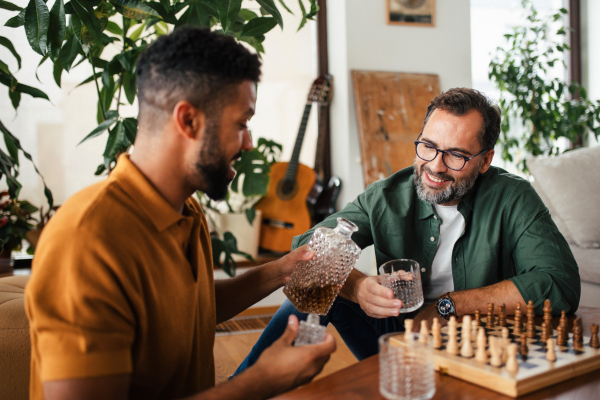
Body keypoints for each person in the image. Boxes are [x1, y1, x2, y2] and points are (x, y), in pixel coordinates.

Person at [25, 27, 336, 400]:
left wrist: (280, 271)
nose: (249, 143)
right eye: (241, 124)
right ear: (188, 120)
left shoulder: (185, 208)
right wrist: (259, 383)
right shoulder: (86, 241)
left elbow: (190, 310)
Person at [233, 87, 580, 374]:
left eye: (456, 155)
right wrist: (357, 286)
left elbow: (559, 281)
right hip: (393, 333)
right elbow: (306, 249)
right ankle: (243, 386)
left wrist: (451, 304)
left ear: (485, 160)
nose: (435, 166)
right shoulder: (387, 195)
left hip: (476, 342)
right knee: (315, 281)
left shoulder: (513, 197)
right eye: (428, 146)